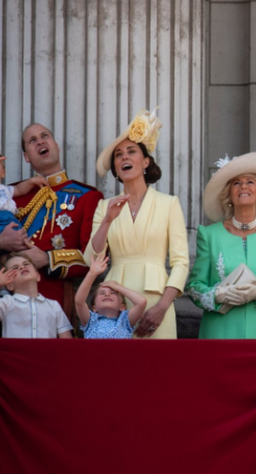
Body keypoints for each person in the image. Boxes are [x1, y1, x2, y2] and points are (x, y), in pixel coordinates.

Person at [85, 108, 189, 339]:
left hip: (157, 297)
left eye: (131, 151)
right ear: (116, 169)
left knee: (159, 370)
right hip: (114, 303)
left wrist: (162, 307)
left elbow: (181, 263)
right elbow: (91, 260)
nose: (124, 157)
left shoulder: (169, 203)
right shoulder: (105, 206)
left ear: (145, 162)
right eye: (118, 155)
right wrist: (108, 221)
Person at [186, 152, 256, 339]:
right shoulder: (209, 235)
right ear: (228, 193)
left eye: (250, 182)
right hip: (221, 332)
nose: (243, 186)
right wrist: (218, 295)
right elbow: (194, 287)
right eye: (236, 183)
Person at [13, 123, 104, 323]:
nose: (40, 142)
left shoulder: (87, 197)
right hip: (10, 299)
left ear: (56, 145)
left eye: (45, 136)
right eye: (32, 140)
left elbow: (93, 259)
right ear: (26, 156)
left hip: (55, 300)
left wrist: (48, 259)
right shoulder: (11, 196)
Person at [0, 253, 73, 338]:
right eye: (15, 268)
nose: (22, 267)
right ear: (10, 285)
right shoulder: (7, 303)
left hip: (46, 351)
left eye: (26, 264)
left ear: (38, 275)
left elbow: (67, 342)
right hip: (15, 351)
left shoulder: (54, 306)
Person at [75, 253, 147, 339]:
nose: (107, 294)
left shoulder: (125, 321)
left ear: (122, 307)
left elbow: (141, 302)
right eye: (102, 293)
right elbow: (79, 302)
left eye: (113, 293)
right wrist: (92, 274)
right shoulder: (90, 321)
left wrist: (119, 287)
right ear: (94, 308)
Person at [0, 144, 48, 235]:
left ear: (3, 173)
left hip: (11, 219)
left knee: (21, 240)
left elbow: (19, 189)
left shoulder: (5, 189)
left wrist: (32, 181)